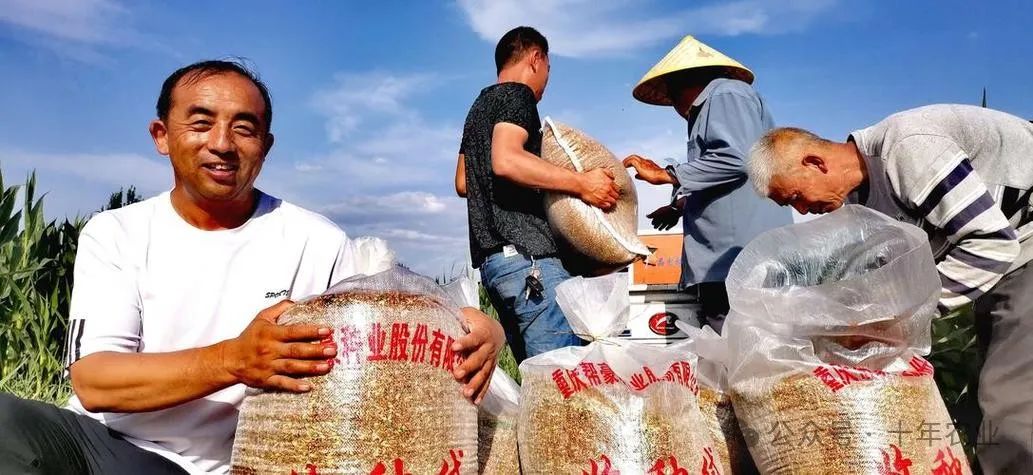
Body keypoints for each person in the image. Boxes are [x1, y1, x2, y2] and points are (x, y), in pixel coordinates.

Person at [0, 60, 505, 475]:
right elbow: (95, 381)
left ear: (266, 146)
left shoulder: (316, 240)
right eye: (201, 123)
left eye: (244, 128)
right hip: (111, 448)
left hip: (245, 462)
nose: (222, 143)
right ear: (161, 135)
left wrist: (481, 327)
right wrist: (234, 361)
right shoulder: (116, 233)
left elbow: (392, 304)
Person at [746, 104, 1033, 474]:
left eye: (795, 197)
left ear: (815, 163)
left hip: (1020, 245)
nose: (801, 211)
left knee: (1010, 395)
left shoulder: (907, 148)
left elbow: (992, 243)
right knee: (991, 386)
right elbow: (893, 277)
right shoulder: (862, 201)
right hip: (1007, 254)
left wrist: (904, 318)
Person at [454, 26, 620, 362]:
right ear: (536, 59)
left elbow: (462, 181)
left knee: (536, 380)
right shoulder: (519, 95)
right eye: (548, 69)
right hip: (531, 264)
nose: (546, 79)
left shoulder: (479, 107)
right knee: (557, 381)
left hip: (496, 268)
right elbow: (506, 160)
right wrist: (582, 183)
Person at [622, 35, 792, 332]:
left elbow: (737, 159)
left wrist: (667, 174)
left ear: (680, 86)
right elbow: (728, 177)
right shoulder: (719, 103)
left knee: (740, 348)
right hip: (729, 264)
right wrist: (681, 205)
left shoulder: (724, 94)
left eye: (672, 97)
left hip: (739, 262)